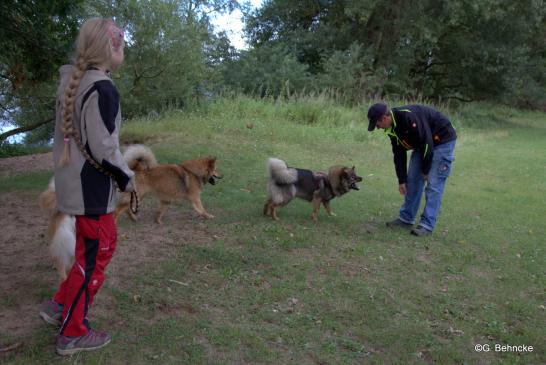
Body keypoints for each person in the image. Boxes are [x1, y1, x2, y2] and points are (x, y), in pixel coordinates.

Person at [38, 17, 135, 356]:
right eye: (122, 45)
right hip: (92, 188)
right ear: (112, 49)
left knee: (89, 252)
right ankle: (73, 332)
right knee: (96, 254)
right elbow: (105, 148)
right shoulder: (103, 89)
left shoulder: (72, 80)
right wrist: (128, 178)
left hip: (73, 183)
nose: (124, 51)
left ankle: (57, 307)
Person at [367, 103, 457, 236]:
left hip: (441, 140)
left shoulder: (408, 117)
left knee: (433, 184)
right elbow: (399, 153)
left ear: (385, 118)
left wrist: (426, 171)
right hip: (423, 143)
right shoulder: (391, 128)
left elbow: (427, 144)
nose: (377, 128)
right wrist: (401, 179)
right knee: (413, 181)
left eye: (377, 124)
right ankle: (406, 219)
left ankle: (427, 225)